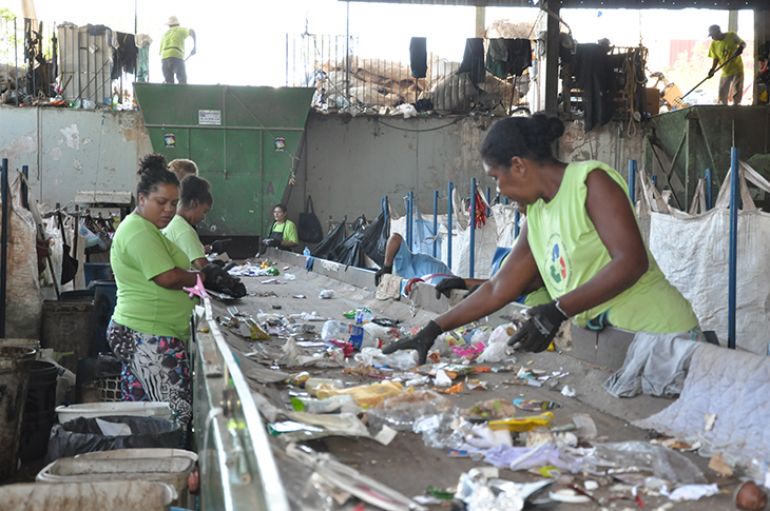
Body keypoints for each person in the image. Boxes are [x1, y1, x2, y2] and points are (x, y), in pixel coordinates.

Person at [384, 114, 699, 364]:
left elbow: (631, 262)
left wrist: (558, 309)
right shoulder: (536, 214)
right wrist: (434, 328)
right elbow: (499, 287)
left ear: (519, 165)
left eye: (496, 178)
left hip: (662, 336)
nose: (499, 190)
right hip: (619, 344)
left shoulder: (591, 182)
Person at [107, 154, 219, 430]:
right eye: (161, 202)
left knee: (145, 416)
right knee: (175, 417)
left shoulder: (149, 229)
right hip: (149, 334)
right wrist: (203, 278)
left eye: (173, 203)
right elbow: (167, 277)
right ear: (141, 198)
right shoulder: (137, 231)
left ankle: (147, 463)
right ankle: (172, 465)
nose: (168, 209)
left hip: (151, 331)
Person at [162, 175, 212, 270]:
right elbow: (203, 266)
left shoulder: (172, 222)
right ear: (194, 203)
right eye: (204, 211)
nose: (203, 217)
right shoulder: (184, 230)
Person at [707, 24, 746, 105]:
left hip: (737, 69)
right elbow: (716, 58)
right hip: (725, 71)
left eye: (713, 35)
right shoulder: (714, 44)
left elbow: (743, 43)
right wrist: (713, 69)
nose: (712, 38)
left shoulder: (731, 36)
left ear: (718, 32)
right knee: (722, 95)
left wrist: (741, 48)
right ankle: (723, 110)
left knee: (737, 92)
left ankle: (736, 108)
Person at [159, 16, 196, 85]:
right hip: (176, 56)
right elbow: (192, 31)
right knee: (182, 81)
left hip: (164, 58)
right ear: (177, 24)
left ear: (169, 25)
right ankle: (182, 95)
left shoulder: (164, 34)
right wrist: (194, 47)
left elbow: (160, 51)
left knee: (169, 83)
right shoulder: (180, 29)